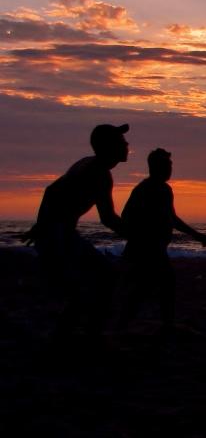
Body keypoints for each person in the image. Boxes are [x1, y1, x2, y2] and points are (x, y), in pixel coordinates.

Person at [21, 124, 130, 346]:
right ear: (109, 147)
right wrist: (139, 237)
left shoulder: (89, 164)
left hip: (64, 234)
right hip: (58, 236)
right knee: (84, 292)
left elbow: (51, 191)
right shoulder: (99, 172)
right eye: (121, 141)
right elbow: (107, 218)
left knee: (106, 277)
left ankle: (89, 336)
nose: (126, 144)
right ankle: (70, 339)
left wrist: (40, 224)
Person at [116, 149, 206, 335]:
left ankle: (163, 324)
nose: (170, 169)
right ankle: (125, 327)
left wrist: (196, 235)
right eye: (167, 165)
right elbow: (127, 216)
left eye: (170, 165)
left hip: (157, 248)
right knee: (149, 287)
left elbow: (172, 219)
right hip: (148, 248)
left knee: (160, 284)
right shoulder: (147, 189)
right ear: (156, 167)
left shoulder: (163, 189)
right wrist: (140, 237)